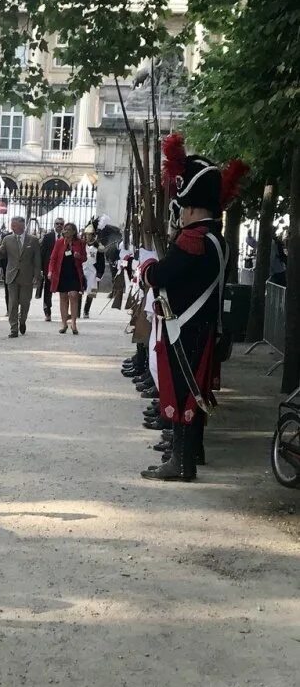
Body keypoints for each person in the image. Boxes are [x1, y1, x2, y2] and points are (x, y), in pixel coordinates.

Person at [137, 137, 241, 482]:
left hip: (184, 328)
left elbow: (161, 274)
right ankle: (188, 455)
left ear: (192, 206)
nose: (179, 212)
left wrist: (145, 267)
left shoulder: (194, 238)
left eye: (182, 205)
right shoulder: (215, 237)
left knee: (182, 392)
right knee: (193, 393)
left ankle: (181, 464)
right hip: (201, 326)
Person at [0, 216, 42, 338]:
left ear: (22, 226)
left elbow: (37, 260)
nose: (12, 227)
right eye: (12, 225)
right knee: (13, 302)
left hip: (27, 276)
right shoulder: (7, 239)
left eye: (14, 225)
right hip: (12, 276)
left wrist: (37, 275)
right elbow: (1, 255)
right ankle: (13, 328)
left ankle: (22, 320)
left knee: (25, 302)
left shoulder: (33, 240)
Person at [48, 221, 86, 334]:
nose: (66, 231)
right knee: (63, 297)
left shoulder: (80, 243)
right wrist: (50, 271)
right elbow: (53, 258)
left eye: (69, 229)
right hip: (62, 272)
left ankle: (73, 323)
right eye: (65, 229)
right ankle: (64, 323)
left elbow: (85, 258)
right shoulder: (59, 242)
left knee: (74, 295)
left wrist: (79, 257)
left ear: (74, 231)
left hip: (74, 272)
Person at [40, 217, 65, 322]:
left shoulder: (66, 237)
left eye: (61, 224)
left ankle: (64, 313)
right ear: (54, 225)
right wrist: (41, 268)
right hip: (49, 268)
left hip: (62, 268)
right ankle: (47, 311)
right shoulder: (48, 237)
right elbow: (42, 253)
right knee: (48, 290)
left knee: (63, 290)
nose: (59, 225)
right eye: (57, 223)